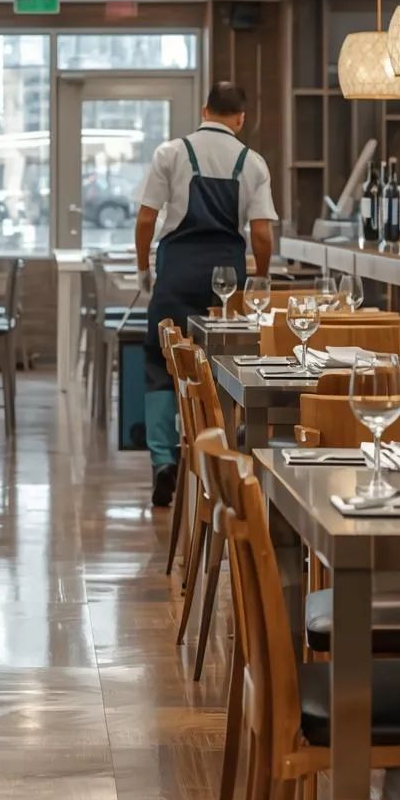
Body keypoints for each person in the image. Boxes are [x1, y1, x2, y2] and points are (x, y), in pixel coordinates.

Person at [135, 81, 277, 507]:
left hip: (176, 275)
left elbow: (146, 220)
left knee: (161, 363)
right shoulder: (252, 162)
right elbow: (262, 233)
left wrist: (144, 268)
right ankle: (217, 459)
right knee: (224, 367)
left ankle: (164, 461)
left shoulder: (171, 153)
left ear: (204, 109)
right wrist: (260, 280)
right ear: (241, 118)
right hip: (226, 282)